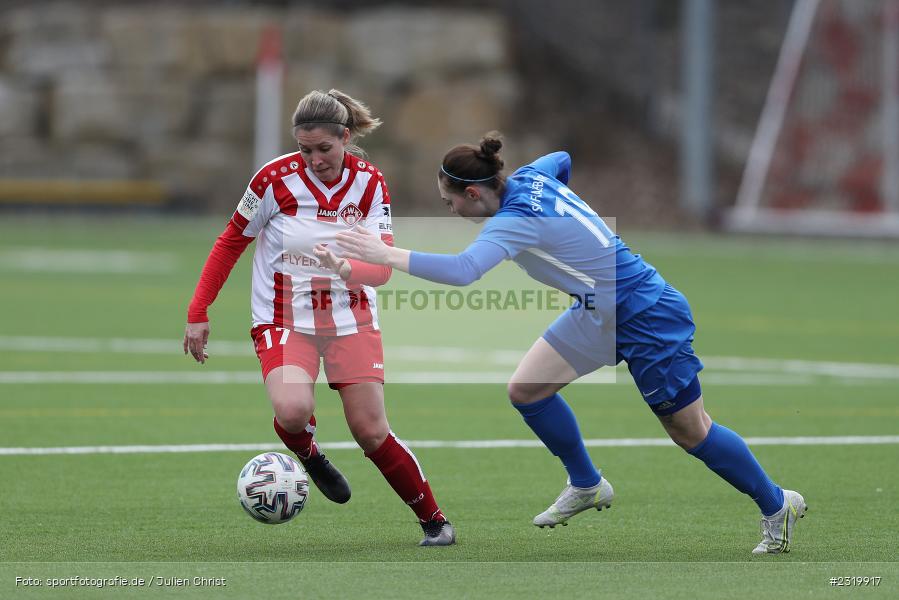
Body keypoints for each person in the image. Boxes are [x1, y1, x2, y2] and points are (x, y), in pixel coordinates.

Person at [325, 132, 807, 554]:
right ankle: (587, 483)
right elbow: (561, 158)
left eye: (450, 202)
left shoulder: (512, 222)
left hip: (644, 311)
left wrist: (387, 252)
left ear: (473, 193)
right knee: (527, 390)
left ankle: (774, 504)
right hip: (598, 309)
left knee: (691, 431)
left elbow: (464, 271)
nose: (449, 210)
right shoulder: (532, 176)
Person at [183, 89, 455, 547]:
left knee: (370, 430)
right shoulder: (273, 180)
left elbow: (383, 267)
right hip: (283, 319)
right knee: (292, 411)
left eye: (324, 149)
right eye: (305, 149)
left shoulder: (370, 183)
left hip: (351, 317)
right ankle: (307, 452)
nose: (314, 159)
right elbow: (231, 241)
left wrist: (349, 269)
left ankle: (434, 520)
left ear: (345, 138)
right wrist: (197, 310)